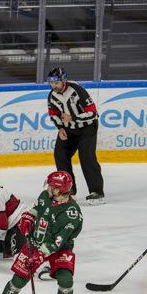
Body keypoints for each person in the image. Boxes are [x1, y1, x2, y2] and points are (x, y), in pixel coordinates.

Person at [0, 171, 83, 294]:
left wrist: (41, 254)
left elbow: (58, 241)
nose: (49, 188)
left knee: (66, 280)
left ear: (61, 190)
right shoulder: (45, 196)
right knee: (18, 280)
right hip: (35, 242)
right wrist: (28, 216)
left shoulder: (72, 214)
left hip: (59, 248)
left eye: (53, 187)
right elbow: (37, 208)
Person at [47, 66, 105, 204]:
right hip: (69, 130)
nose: (53, 86)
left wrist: (73, 117)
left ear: (63, 80)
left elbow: (93, 113)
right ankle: (68, 191)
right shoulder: (52, 95)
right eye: (51, 83)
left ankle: (97, 192)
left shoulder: (77, 90)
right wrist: (60, 128)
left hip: (87, 128)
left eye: (56, 83)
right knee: (60, 154)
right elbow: (53, 114)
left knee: (86, 157)